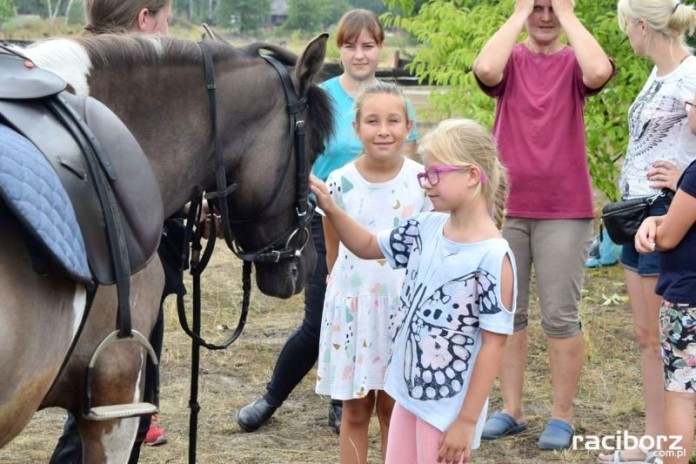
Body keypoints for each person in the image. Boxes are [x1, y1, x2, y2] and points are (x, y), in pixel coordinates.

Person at [235, 8, 418, 435]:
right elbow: (303, 155)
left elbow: (408, 162)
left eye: (368, 45)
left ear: (380, 49)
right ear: (341, 48)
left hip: (386, 227)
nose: (360, 54)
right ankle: (271, 397)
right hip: (329, 218)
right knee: (322, 319)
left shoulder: (395, 99)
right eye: (351, 45)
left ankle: (346, 402)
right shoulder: (322, 95)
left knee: (381, 316)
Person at [310, 118, 515, 463]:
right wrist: (331, 207)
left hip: (446, 410)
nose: (426, 182)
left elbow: (494, 345)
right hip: (406, 395)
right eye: (425, 173)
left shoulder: (493, 257)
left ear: (471, 175)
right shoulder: (424, 228)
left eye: (435, 173)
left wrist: (465, 421)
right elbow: (367, 245)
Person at [471, 0, 615, 451]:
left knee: (559, 315)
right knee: (507, 314)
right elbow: (485, 69)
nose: (546, 16)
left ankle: (562, 414)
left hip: (564, 209)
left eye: (555, 7)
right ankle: (511, 409)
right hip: (506, 207)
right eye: (538, 7)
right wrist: (518, 15)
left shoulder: (574, 61)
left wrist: (571, 16)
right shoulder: (511, 59)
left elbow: (598, 73)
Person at [50, 1, 176, 462]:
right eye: (166, 19)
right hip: (124, 265)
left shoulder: (72, 66)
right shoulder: (128, 82)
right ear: (145, 19)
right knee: (107, 406)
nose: (169, 30)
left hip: (86, 255)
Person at [599, 2, 696, 462]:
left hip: (667, 216)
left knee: (670, 340)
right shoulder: (658, 74)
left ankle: (671, 445)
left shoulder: (691, 73)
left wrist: (684, 179)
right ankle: (655, 441)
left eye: (627, 28)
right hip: (636, 218)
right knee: (646, 336)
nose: (627, 37)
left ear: (641, 25)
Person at [315, 83, 430, 463]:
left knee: (393, 410)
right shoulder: (340, 182)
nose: (383, 130)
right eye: (373, 121)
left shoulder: (422, 182)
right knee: (356, 408)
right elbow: (333, 238)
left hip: (404, 310)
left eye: (393, 121)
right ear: (356, 128)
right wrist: (335, 275)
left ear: (408, 126)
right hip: (355, 309)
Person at [634, 95, 696, 464]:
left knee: (681, 394)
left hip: (688, 299)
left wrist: (653, 222)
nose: (689, 109)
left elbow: (670, 236)